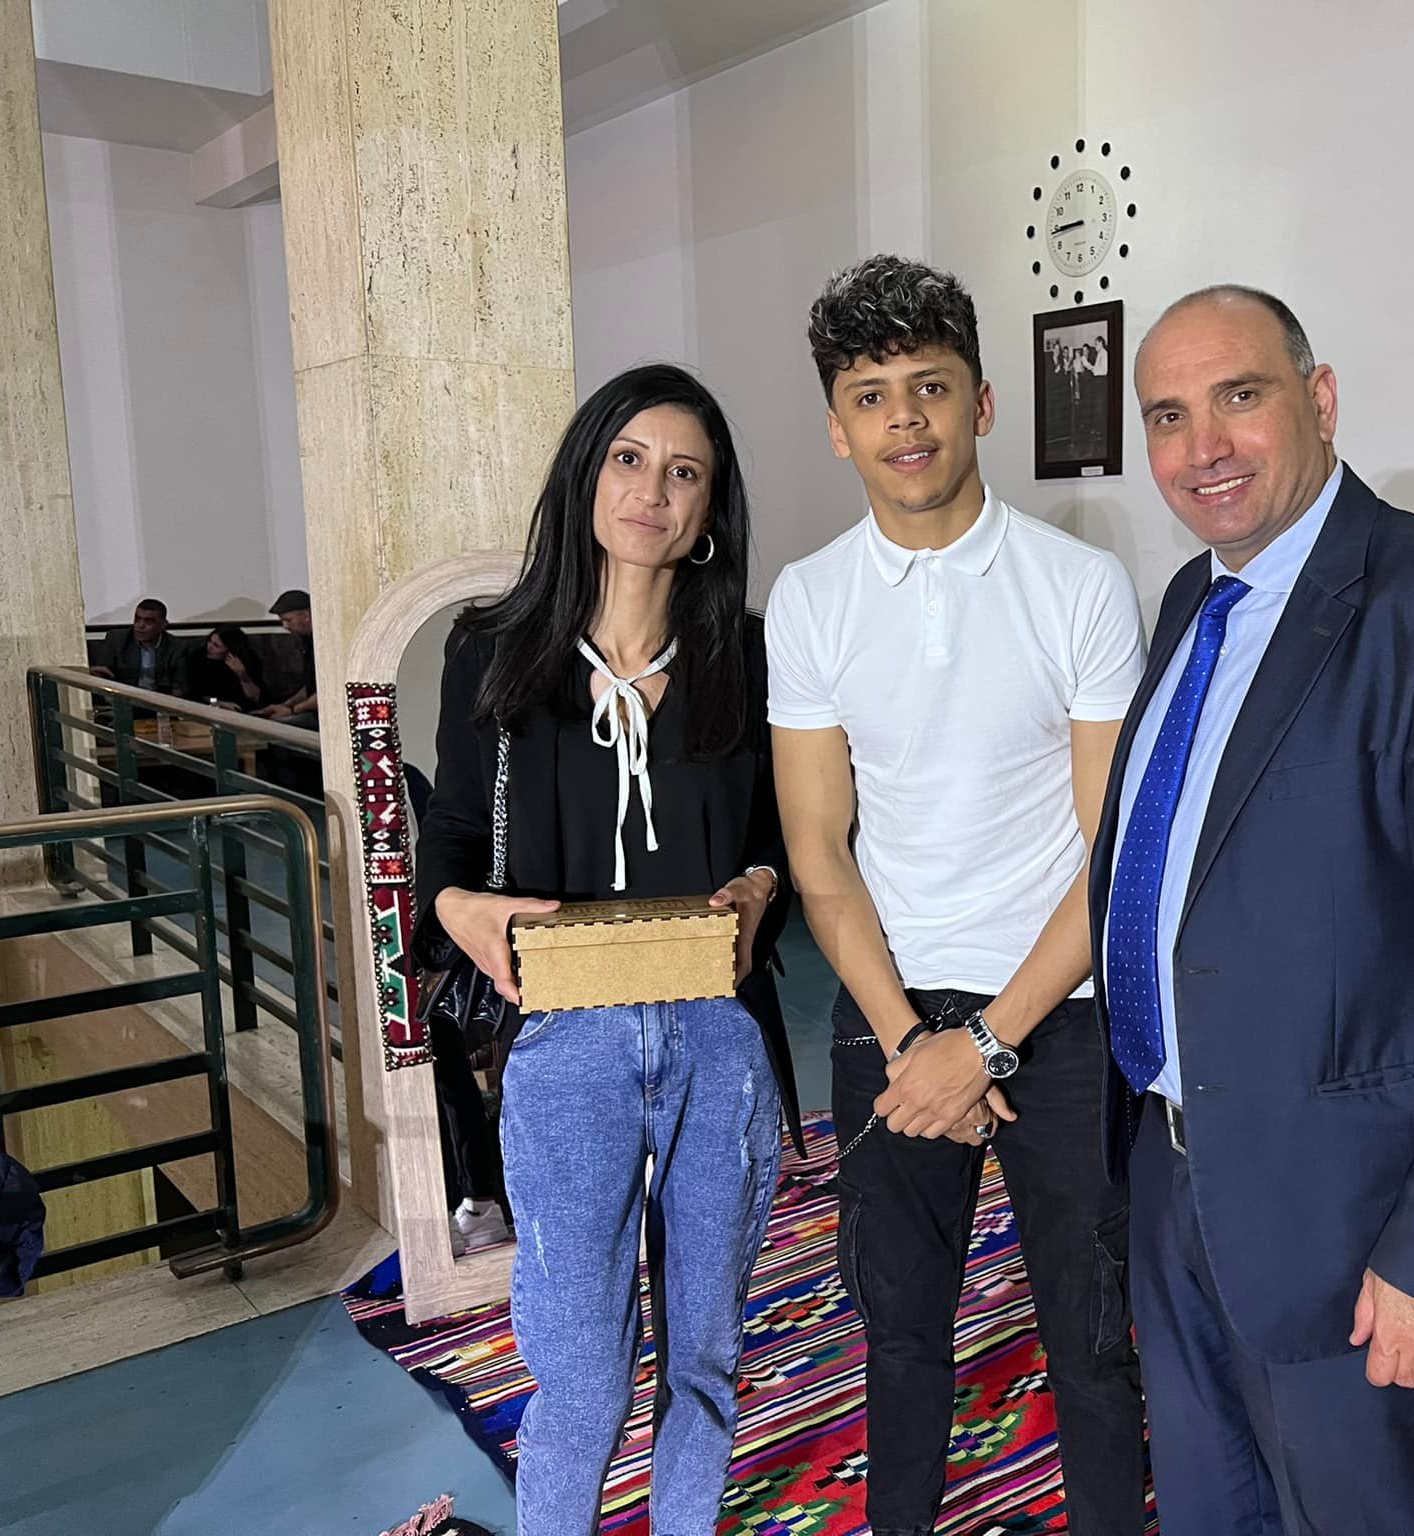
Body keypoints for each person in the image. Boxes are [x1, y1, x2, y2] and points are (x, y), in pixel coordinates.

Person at [1091, 285, 1414, 1535]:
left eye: (1238, 396)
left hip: (1342, 1213)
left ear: (1318, 399)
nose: (1202, 445)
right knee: (1210, 1508)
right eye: (1166, 416)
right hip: (1173, 1171)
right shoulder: (1192, 603)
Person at [767, 254, 1148, 1536]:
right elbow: (818, 850)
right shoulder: (810, 600)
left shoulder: (1078, 586)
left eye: (929, 387)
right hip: (886, 1006)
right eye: (870, 396)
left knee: (1092, 1333)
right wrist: (909, 1042)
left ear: (981, 402)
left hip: (1061, 1012)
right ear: (837, 427)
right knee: (897, 1328)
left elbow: (1110, 853)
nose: (905, 421)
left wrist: (983, 1043)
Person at [413, 363, 801, 1534]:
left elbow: (784, 835)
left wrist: (761, 885)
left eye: (684, 472)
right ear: (586, 473)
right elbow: (447, 834)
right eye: (629, 459)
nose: (651, 491)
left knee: (703, 1362)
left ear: (709, 509)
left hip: (717, 1038)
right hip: (565, 1037)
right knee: (579, 1374)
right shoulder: (494, 650)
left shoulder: (749, 655)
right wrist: (456, 908)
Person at [91, 598, 189, 695]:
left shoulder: (177, 647)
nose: (140, 625)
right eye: (137, 619)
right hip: (125, 697)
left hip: (160, 700)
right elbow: (103, 673)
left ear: (163, 625)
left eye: (148, 621)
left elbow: (179, 688)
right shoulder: (117, 639)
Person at [259, 589, 318, 726]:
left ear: (306, 615)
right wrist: (285, 705)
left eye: (288, 620)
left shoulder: (326, 642)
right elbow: (311, 686)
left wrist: (292, 710)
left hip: (324, 716)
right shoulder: (307, 641)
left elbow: (329, 692)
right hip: (311, 710)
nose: (285, 626)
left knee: (275, 726)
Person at [189, 625, 268, 709]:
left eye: (216, 645)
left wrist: (242, 675)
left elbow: (255, 698)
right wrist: (219, 703)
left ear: (230, 650)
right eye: (210, 641)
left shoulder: (248, 660)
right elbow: (197, 696)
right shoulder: (198, 658)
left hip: (242, 710)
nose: (209, 647)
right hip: (209, 707)